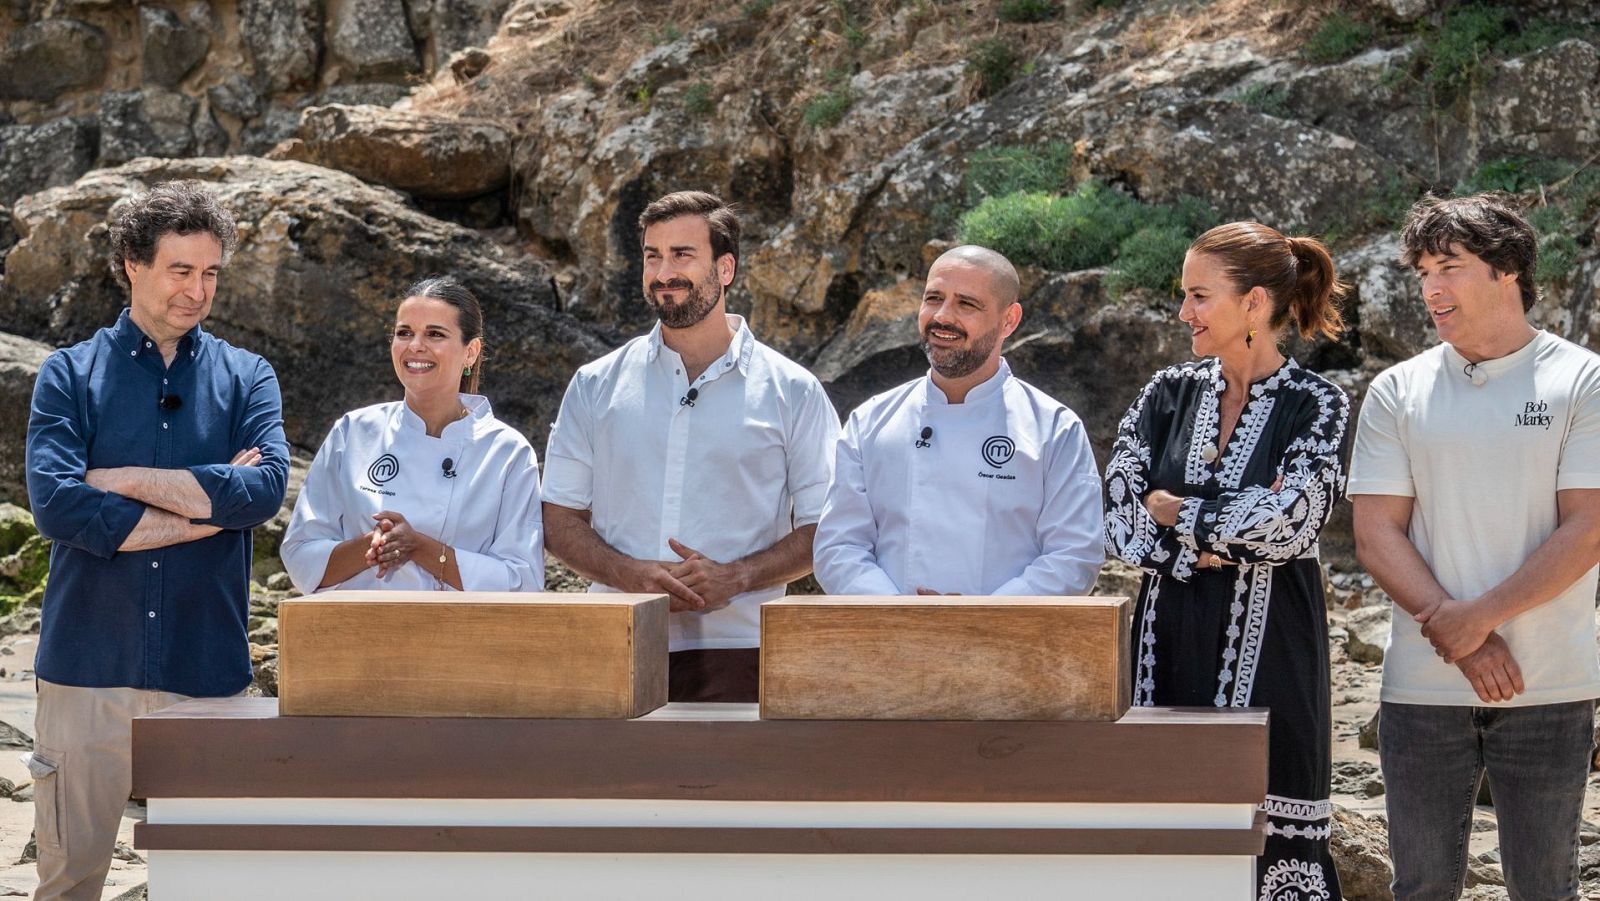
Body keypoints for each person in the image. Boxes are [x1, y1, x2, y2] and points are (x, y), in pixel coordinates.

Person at [24, 182, 289, 901]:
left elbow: (263, 491)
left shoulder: (248, 377)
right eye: (181, 270)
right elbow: (57, 505)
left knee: (210, 884)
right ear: (132, 265)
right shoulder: (68, 375)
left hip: (205, 668)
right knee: (70, 883)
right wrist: (207, 508)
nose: (197, 291)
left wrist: (123, 478)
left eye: (211, 273)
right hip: (86, 667)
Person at [1350, 194, 1600, 901]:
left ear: (1508, 270)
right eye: (1424, 271)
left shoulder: (1581, 378)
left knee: (1547, 889)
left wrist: (1480, 616)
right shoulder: (1397, 388)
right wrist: (1461, 635)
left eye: (1450, 267)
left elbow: (1589, 528)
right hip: (1421, 690)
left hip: (1551, 684)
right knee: (1422, 887)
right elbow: (1375, 533)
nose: (1431, 287)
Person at [1103, 221, 1350, 900]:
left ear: (1255, 304)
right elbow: (1121, 518)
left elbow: (1293, 522)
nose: (1183, 312)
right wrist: (1217, 532)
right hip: (1166, 642)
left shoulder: (1318, 404)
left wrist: (1179, 511)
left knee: (1277, 833)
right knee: (1166, 825)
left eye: (1198, 295)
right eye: (1183, 295)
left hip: (1277, 651)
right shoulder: (1165, 394)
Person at [542, 190, 839, 702]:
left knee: (731, 785)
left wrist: (738, 576)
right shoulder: (595, 384)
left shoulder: (794, 390)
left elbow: (830, 526)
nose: (663, 272)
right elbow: (557, 517)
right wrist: (628, 574)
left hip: (744, 646)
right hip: (615, 638)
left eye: (682, 255)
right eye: (652, 256)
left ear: (725, 269)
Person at [813, 244, 1103, 597]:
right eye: (934, 298)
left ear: (1008, 320)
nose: (943, 316)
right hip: (892, 640)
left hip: (1008, 643)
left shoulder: (1055, 429)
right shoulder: (870, 421)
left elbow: (1074, 557)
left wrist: (974, 620)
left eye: (966, 304)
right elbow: (838, 548)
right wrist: (901, 614)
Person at [281, 277, 543, 594]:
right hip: (358, 633)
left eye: (435, 334)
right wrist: (375, 546)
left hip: (461, 638)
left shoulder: (507, 453)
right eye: (404, 333)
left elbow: (523, 581)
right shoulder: (354, 431)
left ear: (471, 352)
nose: (415, 345)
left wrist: (420, 547)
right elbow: (299, 556)